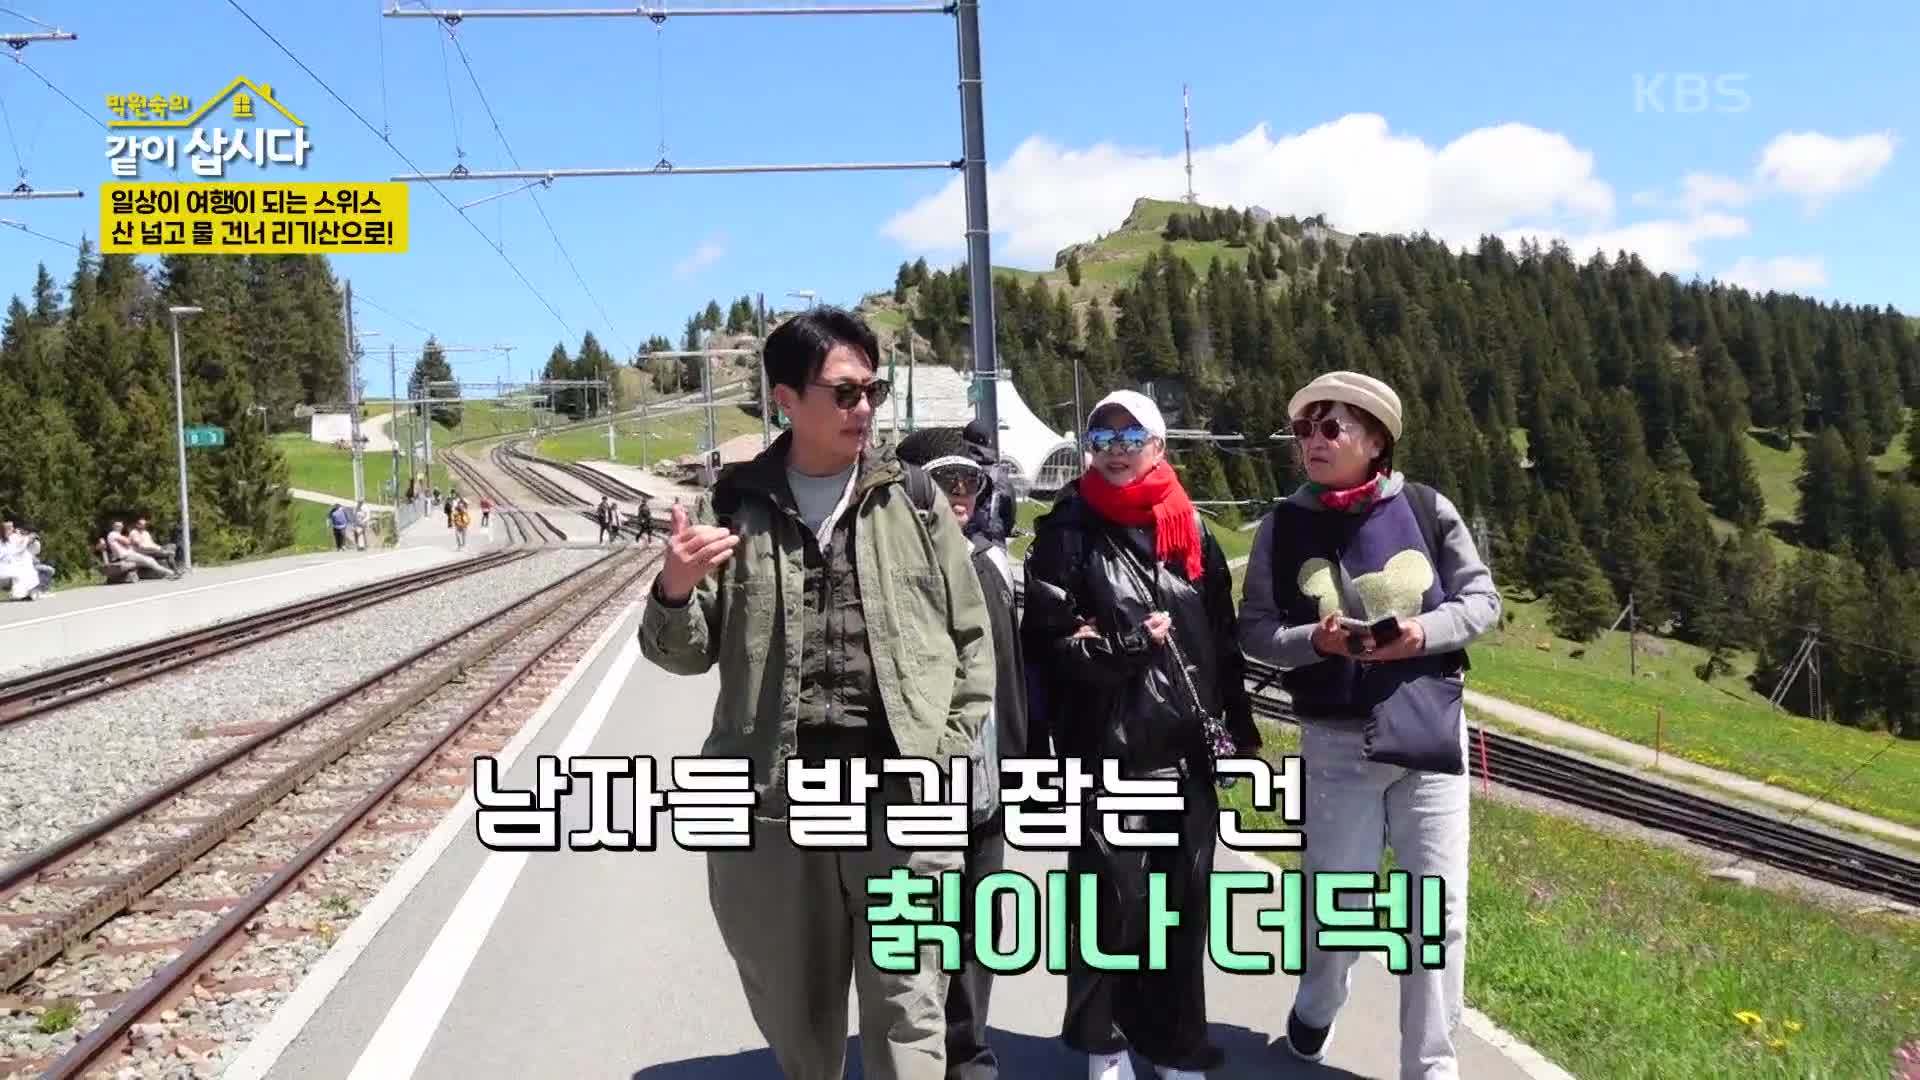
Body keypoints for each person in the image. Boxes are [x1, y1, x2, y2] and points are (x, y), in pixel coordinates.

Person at [639, 306, 994, 1080]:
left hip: (902, 799)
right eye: (844, 392)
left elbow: (972, 640)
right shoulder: (733, 506)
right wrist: (675, 589)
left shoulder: (916, 502)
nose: (863, 408)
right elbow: (683, 655)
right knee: (796, 1011)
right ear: (786, 400)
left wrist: (946, 749)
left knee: (911, 1008)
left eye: (872, 390)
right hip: (775, 806)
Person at [1238, 371, 1500, 1080]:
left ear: (1377, 440)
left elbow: (1482, 601)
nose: (1313, 441)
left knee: (1436, 914)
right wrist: (1315, 642)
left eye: (1332, 427)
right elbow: (1254, 630)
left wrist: (1422, 633)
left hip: (1427, 735)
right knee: (1339, 909)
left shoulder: (1425, 508)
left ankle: (1431, 1067)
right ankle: (1318, 1004)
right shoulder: (1282, 526)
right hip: (1335, 744)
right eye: (1304, 429)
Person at [1022, 389, 1259, 1080]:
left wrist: (1239, 724)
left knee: (1181, 905)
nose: (1117, 452)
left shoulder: (1190, 529)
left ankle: (1174, 1042)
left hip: (1185, 751)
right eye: (1103, 439)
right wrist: (1124, 645)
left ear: (1159, 446)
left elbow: (1219, 637)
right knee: (1111, 904)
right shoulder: (1066, 533)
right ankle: (1104, 1043)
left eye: (1132, 438)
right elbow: (1049, 646)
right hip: (1106, 750)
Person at [894, 426, 1031, 1080]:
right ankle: (920, 1058)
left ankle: (969, 1056)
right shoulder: (889, 571)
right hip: (919, 787)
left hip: (987, 784)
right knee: (922, 930)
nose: (959, 493)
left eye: (969, 481)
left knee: (979, 925)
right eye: (942, 480)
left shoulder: (988, 563)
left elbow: (1013, 677)